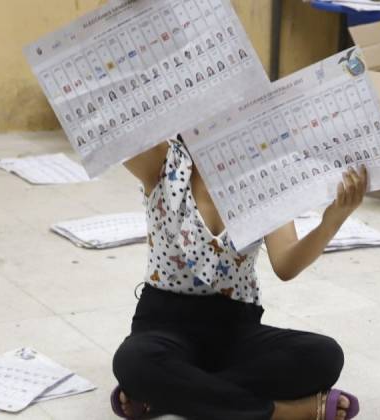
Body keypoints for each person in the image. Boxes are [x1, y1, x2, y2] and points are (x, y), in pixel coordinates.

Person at [112, 135, 366, 420]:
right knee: (133, 361)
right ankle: (282, 413)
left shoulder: (264, 175)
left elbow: (286, 264)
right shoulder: (163, 160)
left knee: (324, 356)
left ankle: (169, 397)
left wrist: (331, 221)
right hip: (163, 324)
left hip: (235, 329)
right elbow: (110, 133)